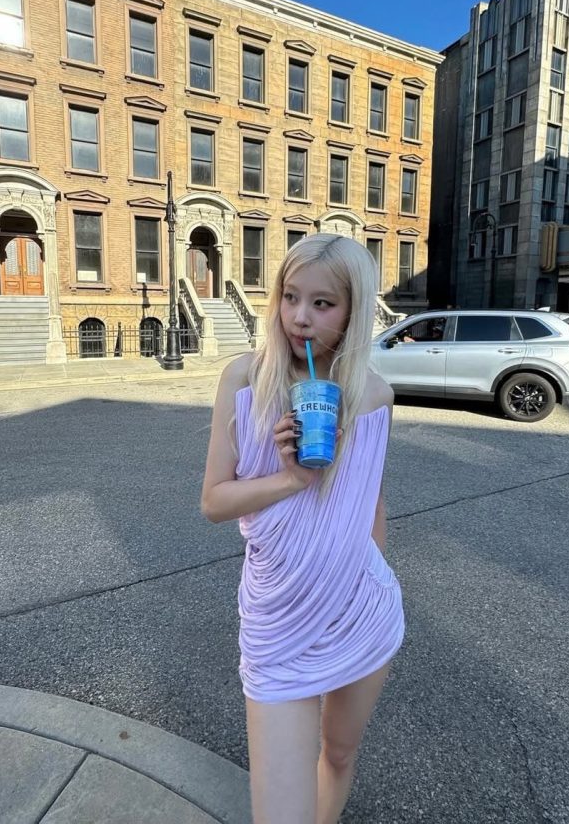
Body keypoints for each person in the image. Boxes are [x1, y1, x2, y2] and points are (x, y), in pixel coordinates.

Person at [201, 233, 404, 824]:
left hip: (361, 611)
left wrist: (370, 573)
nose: (299, 318)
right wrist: (291, 478)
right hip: (278, 622)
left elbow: (370, 501)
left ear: (353, 311)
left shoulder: (374, 396)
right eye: (290, 296)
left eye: (322, 303)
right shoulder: (246, 380)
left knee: (339, 755)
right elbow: (214, 502)